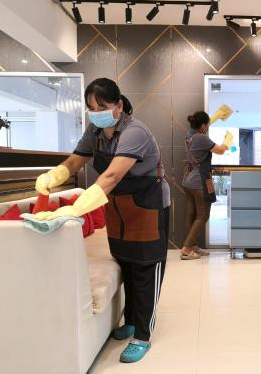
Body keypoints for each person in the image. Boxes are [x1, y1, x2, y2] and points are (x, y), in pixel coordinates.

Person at [33, 78, 171, 363]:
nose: (96, 112)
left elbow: (110, 176)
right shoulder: (95, 131)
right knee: (127, 263)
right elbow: (75, 161)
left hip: (148, 204)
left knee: (145, 268)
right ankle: (131, 319)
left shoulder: (135, 132)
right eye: (91, 108)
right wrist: (54, 175)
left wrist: (74, 210)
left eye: (102, 106)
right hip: (118, 206)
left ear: (119, 105)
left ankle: (143, 335)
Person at [180, 111, 232, 260]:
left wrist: (213, 118)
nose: (208, 127)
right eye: (208, 124)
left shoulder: (189, 135)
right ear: (203, 126)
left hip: (188, 180)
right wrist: (228, 139)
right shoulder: (201, 138)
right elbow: (220, 150)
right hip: (199, 181)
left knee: (191, 215)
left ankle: (193, 247)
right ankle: (186, 249)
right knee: (203, 215)